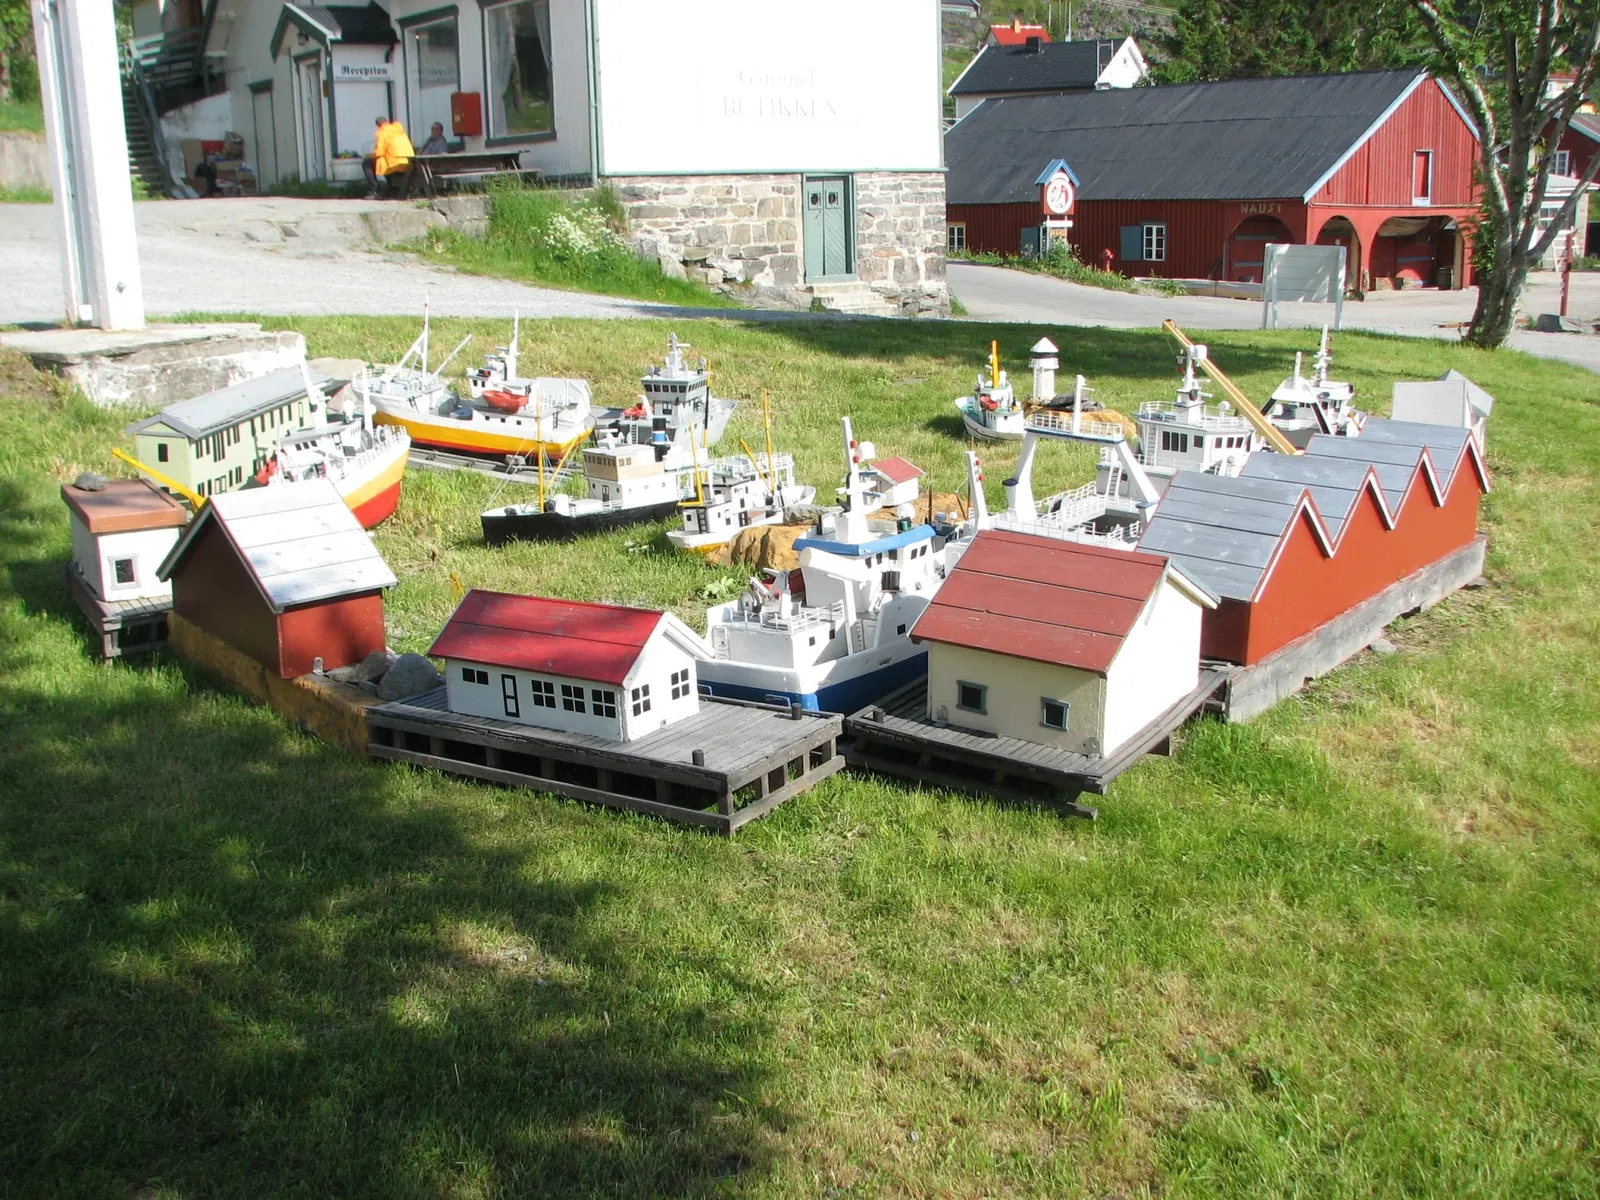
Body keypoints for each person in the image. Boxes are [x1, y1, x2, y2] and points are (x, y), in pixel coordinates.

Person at [363, 115, 415, 198]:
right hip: (407, 162)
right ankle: (391, 190)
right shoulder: (400, 131)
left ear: (378, 125)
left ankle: (374, 190)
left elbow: (379, 153)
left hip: (394, 164)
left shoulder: (382, 133)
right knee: (385, 160)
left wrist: (367, 156)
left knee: (367, 163)